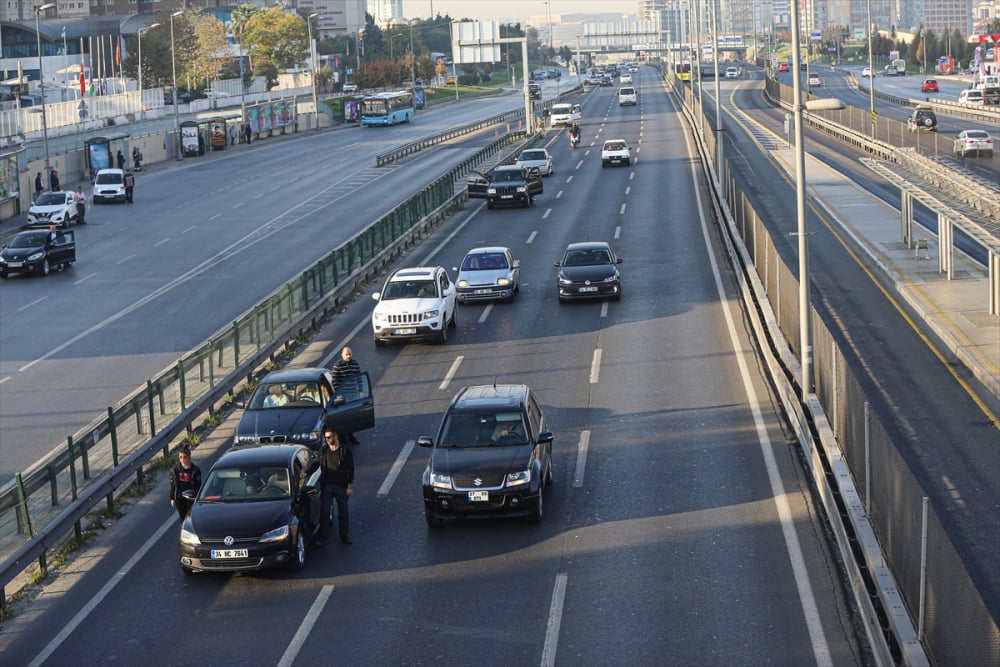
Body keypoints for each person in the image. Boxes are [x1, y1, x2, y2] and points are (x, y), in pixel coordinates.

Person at [316, 430, 354, 546]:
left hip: (341, 487)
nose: (327, 440)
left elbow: (350, 468)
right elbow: (317, 464)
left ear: (335, 436)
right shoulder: (323, 450)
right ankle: (323, 538)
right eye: (326, 438)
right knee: (325, 513)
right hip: (327, 486)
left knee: (343, 513)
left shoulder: (345, 450)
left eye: (329, 438)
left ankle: (344, 536)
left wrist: (349, 485)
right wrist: (306, 472)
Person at [332, 346, 361, 444]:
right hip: (343, 396)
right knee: (344, 417)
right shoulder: (338, 366)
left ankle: (351, 436)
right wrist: (340, 395)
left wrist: (360, 390)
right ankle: (342, 438)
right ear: (342, 355)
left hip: (353, 394)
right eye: (346, 354)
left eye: (350, 354)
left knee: (352, 417)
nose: (348, 356)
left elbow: (359, 377)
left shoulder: (355, 364)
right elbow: (335, 382)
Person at [169, 446, 202, 520]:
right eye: (180, 457)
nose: (182, 459)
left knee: (190, 516)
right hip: (180, 497)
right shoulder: (175, 470)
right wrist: (172, 498)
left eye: (185, 457)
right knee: (182, 517)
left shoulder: (195, 470)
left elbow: (198, 485)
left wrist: (198, 497)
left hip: (192, 497)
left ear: (189, 457)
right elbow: (173, 485)